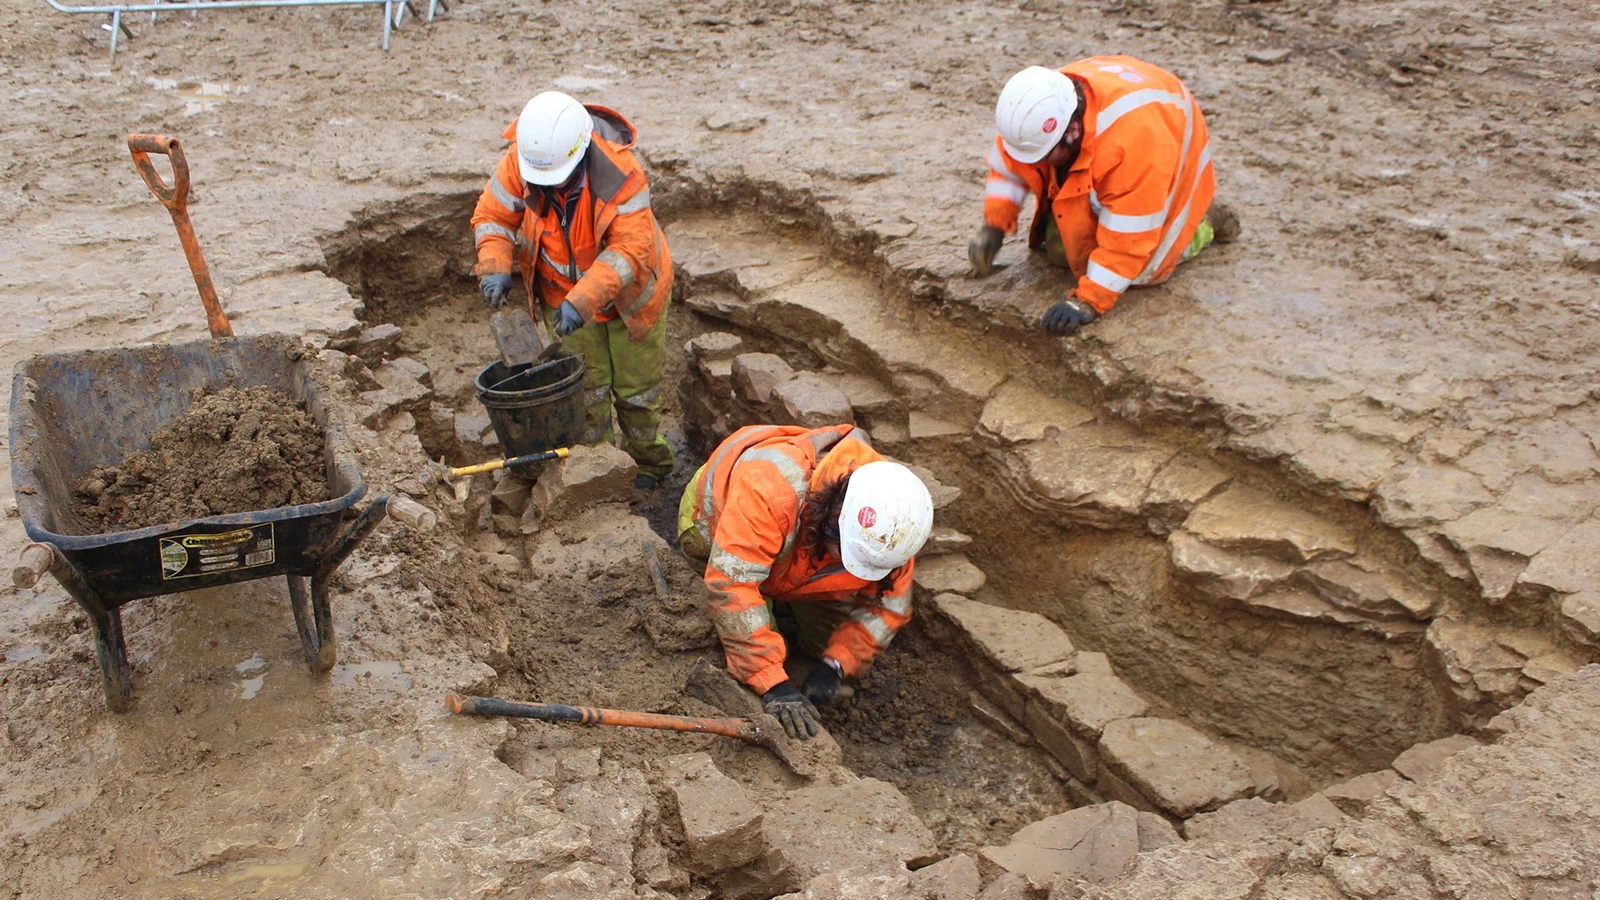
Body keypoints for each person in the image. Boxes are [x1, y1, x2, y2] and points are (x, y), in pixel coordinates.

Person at [471, 91, 675, 490]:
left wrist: (582, 300)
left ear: (580, 154)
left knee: (638, 393)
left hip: (630, 300)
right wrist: (494, 266)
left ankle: (649, 465)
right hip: (559, 294)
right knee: (588, 393)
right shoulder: (524, 159)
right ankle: (601, 470)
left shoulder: (623, 174)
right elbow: (493, 216)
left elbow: (629, 252)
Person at [677, 424, 934, 740]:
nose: (849, 565)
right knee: (745, 623)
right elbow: (732, 585)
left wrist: (836, 664)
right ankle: (772, 625)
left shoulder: (891, 529)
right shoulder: (770, 489)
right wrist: (773, 684)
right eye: (847, 553)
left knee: (821, 641)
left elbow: (888, 607)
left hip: (798, 551)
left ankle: (789, 606)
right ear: (832, 515)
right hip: (720, 514)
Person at [969, 58, 1237, 337]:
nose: (1034, 162)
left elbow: (1128, 242)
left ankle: (1201, 223)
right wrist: (995, 225)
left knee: (1143, 271)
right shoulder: (1034, 115)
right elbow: (1009, 167)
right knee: (1061, 253)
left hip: (1167, 142)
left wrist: (1087, 301)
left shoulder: (1134, 152)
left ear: (1071, 133)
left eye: (1044, 157)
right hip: (1122, 128)